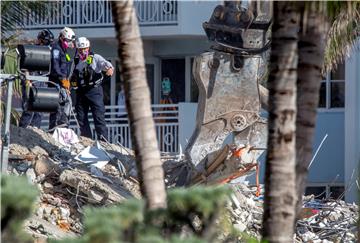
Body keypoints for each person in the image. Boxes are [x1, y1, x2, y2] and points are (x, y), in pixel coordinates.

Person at [71, 37, 114, 141]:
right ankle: (87, 140)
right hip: (81, 92)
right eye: (80, 49)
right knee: (81, 117)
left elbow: (105, 64)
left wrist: (110, 69)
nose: (82, 51)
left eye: (84, 49)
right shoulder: (75, 61)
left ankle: (104, 141)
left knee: (98, 116)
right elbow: (71, 76)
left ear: (88, 48)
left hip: (94, 91)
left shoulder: (95, 58)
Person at [19, 29, 54, 128]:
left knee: (39, 110)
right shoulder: (31, 51)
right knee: (29, 109)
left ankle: (35, 130)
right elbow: (24, 68)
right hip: (31, 82)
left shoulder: (48, 53)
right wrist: (28, 80)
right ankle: (23, 130)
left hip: (42, 81)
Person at [48, 27, 76, 131]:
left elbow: (66, 66)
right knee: (58, 105)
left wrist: (67, 80)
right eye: (67, 41)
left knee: (68, 101)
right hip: (56, 82)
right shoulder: (56, 49)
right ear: (61, 38)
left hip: (63, 82)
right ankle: (55, 126)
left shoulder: (64, 51)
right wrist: (62, 79)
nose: (69, 43)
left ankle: (64, 123)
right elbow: (55, 67)